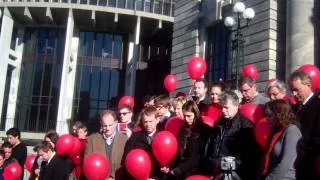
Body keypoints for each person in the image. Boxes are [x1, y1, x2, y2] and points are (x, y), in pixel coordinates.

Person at [203, 90, 261, 180]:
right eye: (221, 107)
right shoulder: (219, 123)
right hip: (216, 171)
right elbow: (211, 144)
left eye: (226, 107)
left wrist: (222, 164)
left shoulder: (245, 126)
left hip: (235, 174)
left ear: (236, 106)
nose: (223, 110)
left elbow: (247, 157)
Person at [288, 71, 320, 179]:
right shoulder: (295, 108)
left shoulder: (317, 105)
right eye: (292, 90)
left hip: (310, 164)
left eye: (297, 90)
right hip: (295, 163)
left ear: (308, 85)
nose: (294, 94)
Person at [260, 100, 301, 180]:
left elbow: (286, 162)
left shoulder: (291, 131)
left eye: (269, 115)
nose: (267, 119)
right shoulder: (276, 131)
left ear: (279, 115)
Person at [160, 101, 202, 179]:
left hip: (194, 172)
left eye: (189, 116)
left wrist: (180, 169)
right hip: (180, 170)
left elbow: (198, 157)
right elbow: (177, 151)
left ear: (195, 113)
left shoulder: (202, 130)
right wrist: (169, 165)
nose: (186, 119)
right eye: (185, 116)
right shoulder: (183, 129)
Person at [85, 110, 127, 180]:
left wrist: (113, 177)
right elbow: (87, 163)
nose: (107, 128)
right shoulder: (91, 140)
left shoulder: (124, 140)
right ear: (101, 124)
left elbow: (125, 164)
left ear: (116, 123)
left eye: (110, 125)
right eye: (105, 125)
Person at [122, 106, 162, 179]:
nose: (148, 124)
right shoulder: (134, 138)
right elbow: (126, 160)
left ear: (157, 120)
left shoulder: (163, 138)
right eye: (145, 122)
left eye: (151, 121)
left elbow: (169, 162)